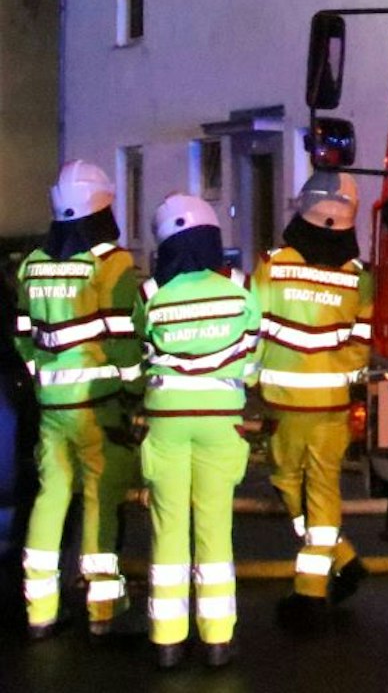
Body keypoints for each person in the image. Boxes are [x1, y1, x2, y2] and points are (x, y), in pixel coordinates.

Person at [14, 159, 142, 638]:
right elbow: (124, 340)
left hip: (52, 407)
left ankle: (40, 609)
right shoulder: (112, 264)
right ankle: (102, 610)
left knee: (50, 499)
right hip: (99, 405)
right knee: (99, 501)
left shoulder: (32, 265)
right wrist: (134, 390)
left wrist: (44, 376)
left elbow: (24, 335)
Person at [136, 194, 260, 669]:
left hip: (166, 422)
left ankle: (167, 642)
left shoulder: (149, 294)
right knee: (214, 529)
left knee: (168, 529)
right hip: (220, 422)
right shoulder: (242, 289)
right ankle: (217, 641)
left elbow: (139, 353)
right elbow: (250, 361)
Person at [251, 169, 373, 630]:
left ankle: (310, 592)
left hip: (284, 402)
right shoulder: (359, 279)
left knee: (288, 483)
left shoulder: (273, 265)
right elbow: (362, 341)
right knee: (322, 491)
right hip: (333, 405)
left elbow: (253, 329)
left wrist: (246, 381)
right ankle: (339, 558)